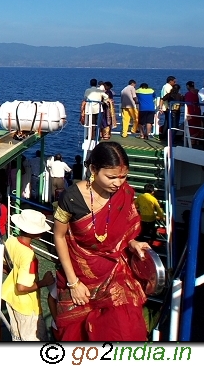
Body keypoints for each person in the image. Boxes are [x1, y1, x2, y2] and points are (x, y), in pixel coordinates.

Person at [51, 142, 150, 341]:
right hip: (80, 273)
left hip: (115, 271)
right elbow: (59, 236)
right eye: (111, 177)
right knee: (75, 333)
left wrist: (131, 242)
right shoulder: (72, 198)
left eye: (123, 176)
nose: (118, 183)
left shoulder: (126, 193)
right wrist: (73, 283)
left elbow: (125, 230)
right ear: (93, 169)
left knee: (124, 327)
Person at [1, 209, 55, 341]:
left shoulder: (11, 241)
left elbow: (4, 267)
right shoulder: (29, 256)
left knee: (17, 337)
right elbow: (22, 287)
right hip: (27, 308)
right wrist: (44, 282)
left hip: (11, 299)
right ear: (34, 232)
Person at [80, 79, 110, 146]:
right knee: (98, 124)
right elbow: (106, 97)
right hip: (98, 109)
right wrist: (104, 102)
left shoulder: (87, 90)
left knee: (91, 123)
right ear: (96, 84)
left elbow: (85, 98)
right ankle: (97, 135)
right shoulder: (99, 91)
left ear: (90, 84)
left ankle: (91, 136)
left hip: (90, 109)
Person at [183, 81, 202, 148]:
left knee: (191, 127)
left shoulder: (188, 94)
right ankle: (197, 141)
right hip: (198, 111)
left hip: (191, 112)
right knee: (197, 126)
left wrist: (188, 113)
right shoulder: (199, 92)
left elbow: (188, 104)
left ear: (188, 86)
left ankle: (192, 142)